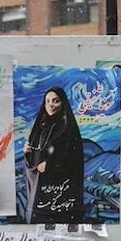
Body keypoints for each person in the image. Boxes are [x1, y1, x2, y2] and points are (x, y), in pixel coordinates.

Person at [24, 86, 84, 223]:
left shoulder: (67, 127)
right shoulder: (40, 126)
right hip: (42, 189)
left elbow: (72, 156)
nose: (51, 104)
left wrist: (51, 163)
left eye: (56, 101)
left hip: (62, 192)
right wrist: (28, 152)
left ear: (63, 103)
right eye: (48, 101)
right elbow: (34, 152)